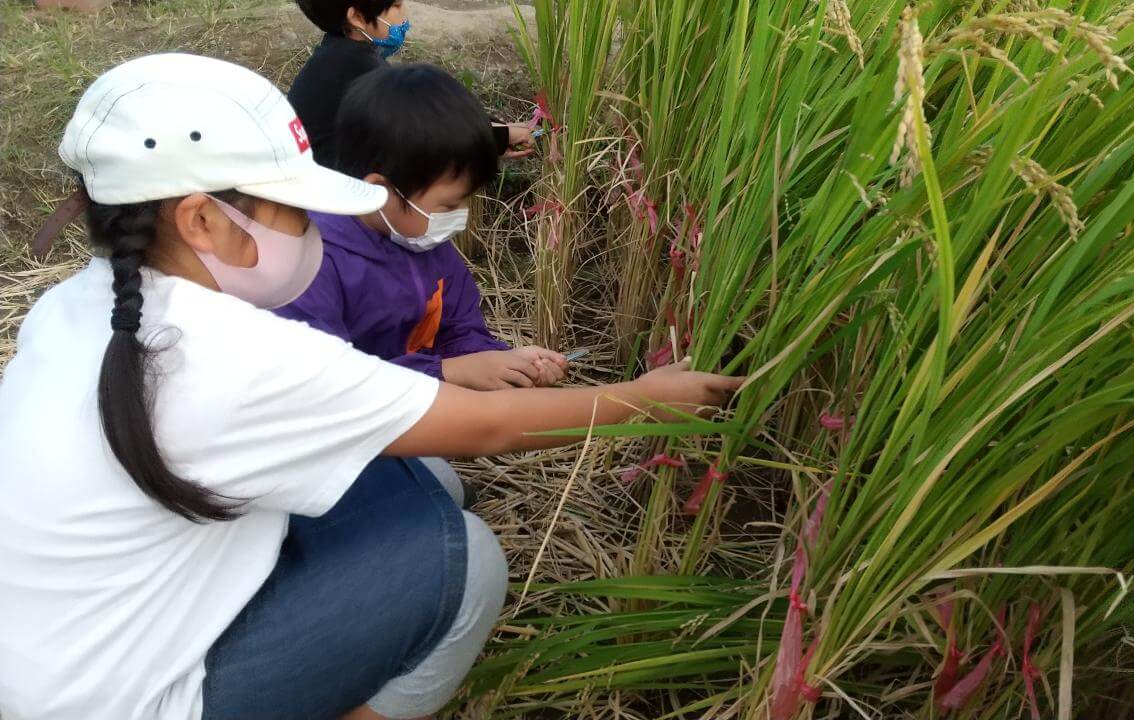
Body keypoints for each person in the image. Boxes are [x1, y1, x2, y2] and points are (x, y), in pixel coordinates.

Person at [0, 53, 739, 720]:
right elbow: (488, 428)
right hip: (135, 698)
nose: (311, 230)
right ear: (201, 220)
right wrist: (647, 399)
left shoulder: (77, 306)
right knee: (464, 559)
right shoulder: (235, 354)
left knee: (427, 484)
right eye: (293, 209)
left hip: (57, 663)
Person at [277, 64, 563, 391]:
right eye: (449, 205)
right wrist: (446, 372)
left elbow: (458, 330)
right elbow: (329, 384)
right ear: (379, 189)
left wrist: (506, 363)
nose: (461, 216)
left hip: (421, 416)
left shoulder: (425, 244)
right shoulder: (311, 264)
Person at [288, 0, 534, 168]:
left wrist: (494, 127)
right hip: (330, 204)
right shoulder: (358, 67)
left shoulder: (337, 55)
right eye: (395, 5)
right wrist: (497, 138)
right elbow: (422, 127)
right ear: (357, 17)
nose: (404, 15)